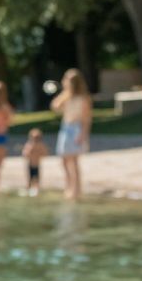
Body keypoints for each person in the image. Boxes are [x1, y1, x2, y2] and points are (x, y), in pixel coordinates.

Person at [53, 69, 91, 201]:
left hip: (76, 128)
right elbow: (55, 106)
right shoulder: (66, 96)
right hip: (66, 127)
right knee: (64, 160)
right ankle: (69, 186)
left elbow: (86, 119)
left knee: (73, 161)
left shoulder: (83, 98)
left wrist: (83, 134)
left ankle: (76, 189)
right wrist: (64, 92)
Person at [21, 128, 47, 195]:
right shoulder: (29, 145)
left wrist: (38, 152)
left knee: (37, 178)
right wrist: (29, 151)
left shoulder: (40, 145)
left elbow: (45, 153)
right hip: (30, 164)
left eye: (37, 138)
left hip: (37, 165)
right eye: (34, 138)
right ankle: (28, 189)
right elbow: (24, 154)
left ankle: (36, 189)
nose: (35, 140)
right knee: (29, 178)